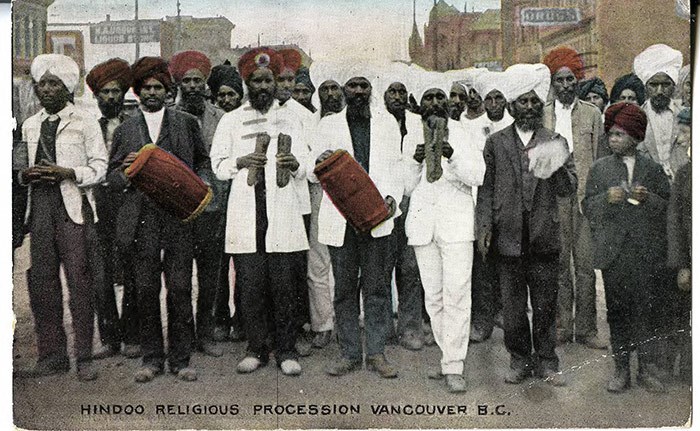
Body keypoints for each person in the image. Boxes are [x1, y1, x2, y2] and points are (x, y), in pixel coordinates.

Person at [108, 56, 211, 383]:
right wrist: (125, 171)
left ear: (168, 91)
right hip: (142, 221)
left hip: (178, 217)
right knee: (146, 290)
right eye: (146, 88)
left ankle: (181, 360)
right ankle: (152, 359)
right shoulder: (125, 129)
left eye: (159, 87)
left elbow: (203, 163)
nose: (152, 92)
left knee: (180, 288)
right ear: (138, 93)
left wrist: (202, 184)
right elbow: (111, 177)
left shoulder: (186, 123)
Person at [210, 47, 310, 376]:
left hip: (283, 208)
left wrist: (296, 165)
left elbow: (311, 164)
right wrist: (239, 162)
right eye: (257, 81)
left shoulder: (295, 117)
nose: (264, 87)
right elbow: (218, 165)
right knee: (250, 284)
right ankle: (256, 348)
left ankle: (286, 350)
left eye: (269, 80)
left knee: (284, 285)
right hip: (246, 209)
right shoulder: (232, 120)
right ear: (247, 83)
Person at [475, 63, 577, 386]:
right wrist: (484, 227)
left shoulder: (555, 139)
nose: (530, 107)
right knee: (514, 307)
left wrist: (556, 164)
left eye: (535, 101)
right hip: (508, 239)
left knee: (546, 305)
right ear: (511, 106)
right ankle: (519, 359)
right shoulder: (497, 143)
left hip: (544, 236)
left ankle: (547, 360)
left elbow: (568, 187)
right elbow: (486, 188)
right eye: (523, 101)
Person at [16, 54, 107, 381]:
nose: (47, 90)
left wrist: (67, 172)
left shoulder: (85, 122)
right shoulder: (29, 125)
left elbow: (100, 168)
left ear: (68, 88)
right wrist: (27, 175)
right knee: (42, 284)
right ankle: (51, 356)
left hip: (72, 208)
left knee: (80, 282)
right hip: (39, 209)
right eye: (42, 84)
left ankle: (84, 357)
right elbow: (18, 171)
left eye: (55, 84)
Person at [311, 74, 402, 379]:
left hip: (377, 215)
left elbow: (397, 165)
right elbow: (314, 171)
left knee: (377, 288)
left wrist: (392, 198)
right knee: (345, 289)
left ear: (371, 90)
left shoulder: (387, 123)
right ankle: (349, 353)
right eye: (353, 86)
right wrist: (319, 161)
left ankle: (376, 353)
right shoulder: (328, 124)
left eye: (364, 86)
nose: (359, 91)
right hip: (341, 218)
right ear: (345, 91)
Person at [583, 102, 670, 393]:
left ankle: (646, 369)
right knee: (618, 311)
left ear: (635, 136)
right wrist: (606, 199)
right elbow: (588, 208)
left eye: (620, 134)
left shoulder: (652, 168)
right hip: (615, 255)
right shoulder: (600, 169)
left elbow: (667, 207)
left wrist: (649, 199)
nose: (613, 139)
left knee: (646, 310)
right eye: (611, 135)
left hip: (646, 253)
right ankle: (621, 369)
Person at [404, 86, 485, 392]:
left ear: (451, 103)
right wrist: (414, 161)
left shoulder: (463, 133)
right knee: (434, 297)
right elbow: (407, 186)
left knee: (457, 295)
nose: (436, 103)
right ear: (422, 105)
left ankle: (454, 364)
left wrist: (451, 155)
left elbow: (478, 175)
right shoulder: (414, 133)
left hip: (456, 226)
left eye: (441, 98)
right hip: (424, 226)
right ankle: (447, 357)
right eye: (429, 98)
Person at [542, 47, 606, 350]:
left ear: (578, 81)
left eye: (571, 79)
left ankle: (587, 329)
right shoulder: (543, 115)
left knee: (584, 265)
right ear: (553, 84)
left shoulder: (593, 115)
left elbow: (600, 158)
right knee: (558, 266)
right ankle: (562, 325)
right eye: (560, 80)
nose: (566, 85)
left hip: (584, 201)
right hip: (555, 200)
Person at [169, 50, 229, 358]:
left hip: (212, 206)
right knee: (179, 279)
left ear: (206, 84)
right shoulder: (169, 117)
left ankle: (205, 334)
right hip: (178, 209)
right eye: (187, 81)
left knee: (209, 277)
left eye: (198, 81)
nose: (192, 86)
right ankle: (182, 335)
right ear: (179, 84)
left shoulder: (222, 118)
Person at [85, 58, 141, 360]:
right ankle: (109, 337)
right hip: (95, 206)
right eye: (104, 92)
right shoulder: (87, 127)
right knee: (101, 273)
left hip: (127, 204)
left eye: (115, 92)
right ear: (96, 97)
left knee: (131, 268)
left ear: (124, 94)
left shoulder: (135, 127)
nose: (110, 97)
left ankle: (133, 335)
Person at [383, 81, 425, 351]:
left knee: (410, 268)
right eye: (392, 92)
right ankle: (383, 327)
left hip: (413, 201)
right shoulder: (377, 122)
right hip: (383, 203)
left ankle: (410, 328)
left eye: (401, 92)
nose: (397, 97)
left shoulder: (418, 122)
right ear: (384, 96)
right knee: (381, 268)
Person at [666, 109, 691, 385]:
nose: (681, 140)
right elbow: (675, 223)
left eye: (685, 133)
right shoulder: (684, 174)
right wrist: (682, 264)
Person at [633, 44, 684, 179]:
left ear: (674, 86)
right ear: (645, 87)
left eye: (665, 85)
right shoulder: (636, 117)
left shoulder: (688, 116)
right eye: (654, 85)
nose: (660, 91)